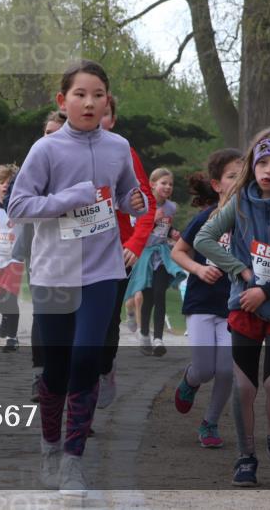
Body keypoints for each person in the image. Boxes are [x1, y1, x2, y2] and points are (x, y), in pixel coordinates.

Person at [8, 59, 147, 493]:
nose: (89, 103)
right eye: (80, 95)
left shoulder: (118, 146)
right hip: (54, 272)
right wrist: (68, 198)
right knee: (55, 368)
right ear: (62, 100)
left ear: (107, 102)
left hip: (103, 270)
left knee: (87, 359)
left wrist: (134, 201)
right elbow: (18, 206)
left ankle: (73, 459)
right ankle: (50, 446)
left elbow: (125, 193)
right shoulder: (46, 149)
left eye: (97, 95)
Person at [194, 126, 270, 487]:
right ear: (252, 166)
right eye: (262, 163)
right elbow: (204, 239)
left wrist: (268, 290)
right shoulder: (239, 203)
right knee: (246, 387)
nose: (268, 170)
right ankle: (246, 455)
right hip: (245, 304)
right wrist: (242, 272)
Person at [170, 148, 242, 449]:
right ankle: (190, 380)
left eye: (244, 177)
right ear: (217, 185)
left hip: (234, 304)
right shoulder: (205, 218)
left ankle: (210, 422)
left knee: (226, 370)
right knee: (204, 369)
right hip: (201, 301)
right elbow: (178, 252)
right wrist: (199, 269)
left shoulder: (253, 222)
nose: (239, 182)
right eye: (232, 176)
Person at [97, 95, 156, 408]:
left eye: (105, 113)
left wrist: (134, 243)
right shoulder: (60, 149)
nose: (97, 118)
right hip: (72, 251)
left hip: (116, 251)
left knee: (106, 321)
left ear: (113, 120)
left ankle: (104, 369)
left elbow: (147, 203)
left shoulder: (124, 152)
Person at [18, 110, 66, 402]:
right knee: (42, 310)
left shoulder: (80, 166)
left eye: (57, 133)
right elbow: (17, 202)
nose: (51, 138)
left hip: (76, 252)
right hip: (40, 248)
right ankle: (41, 376)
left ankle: (69, 377)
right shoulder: (35, 161)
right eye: (47, 132)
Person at [126, 167, 179, 356]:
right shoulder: (143, 206)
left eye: (170, 184)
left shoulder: (171, 207)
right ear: (152, 184)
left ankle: (158, 339)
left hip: (162, 254)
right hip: (145, 255)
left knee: (159, 293)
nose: (168, 187)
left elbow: (167, 227)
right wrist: (153, 221)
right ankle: (143, 334)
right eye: (164, 183)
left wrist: (173, 232)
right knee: (147, 297)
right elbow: (136, 231)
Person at [0, 162, 24, 352]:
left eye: (10, 183)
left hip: (13, 260)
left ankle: (12, 338)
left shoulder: (19, 208)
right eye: (2, 182)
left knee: (11, 298)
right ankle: (6, 319)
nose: (6, 186)